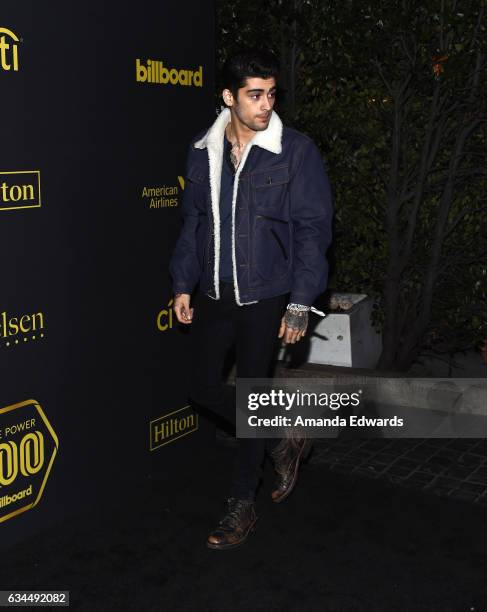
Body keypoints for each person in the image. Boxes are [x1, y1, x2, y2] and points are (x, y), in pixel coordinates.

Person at [169, 49, 333, 550]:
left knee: (254, 398)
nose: (266, 105)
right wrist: (182, 281)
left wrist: (301, 301)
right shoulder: (204, 151)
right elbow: (193, 223)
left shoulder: (296, 151)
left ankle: (242, 503)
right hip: (215, 292)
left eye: (271, 94)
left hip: (267, 295)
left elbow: (312, 230)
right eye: (254, 95)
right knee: (201, 386)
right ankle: (282, 438)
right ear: (229, 97)